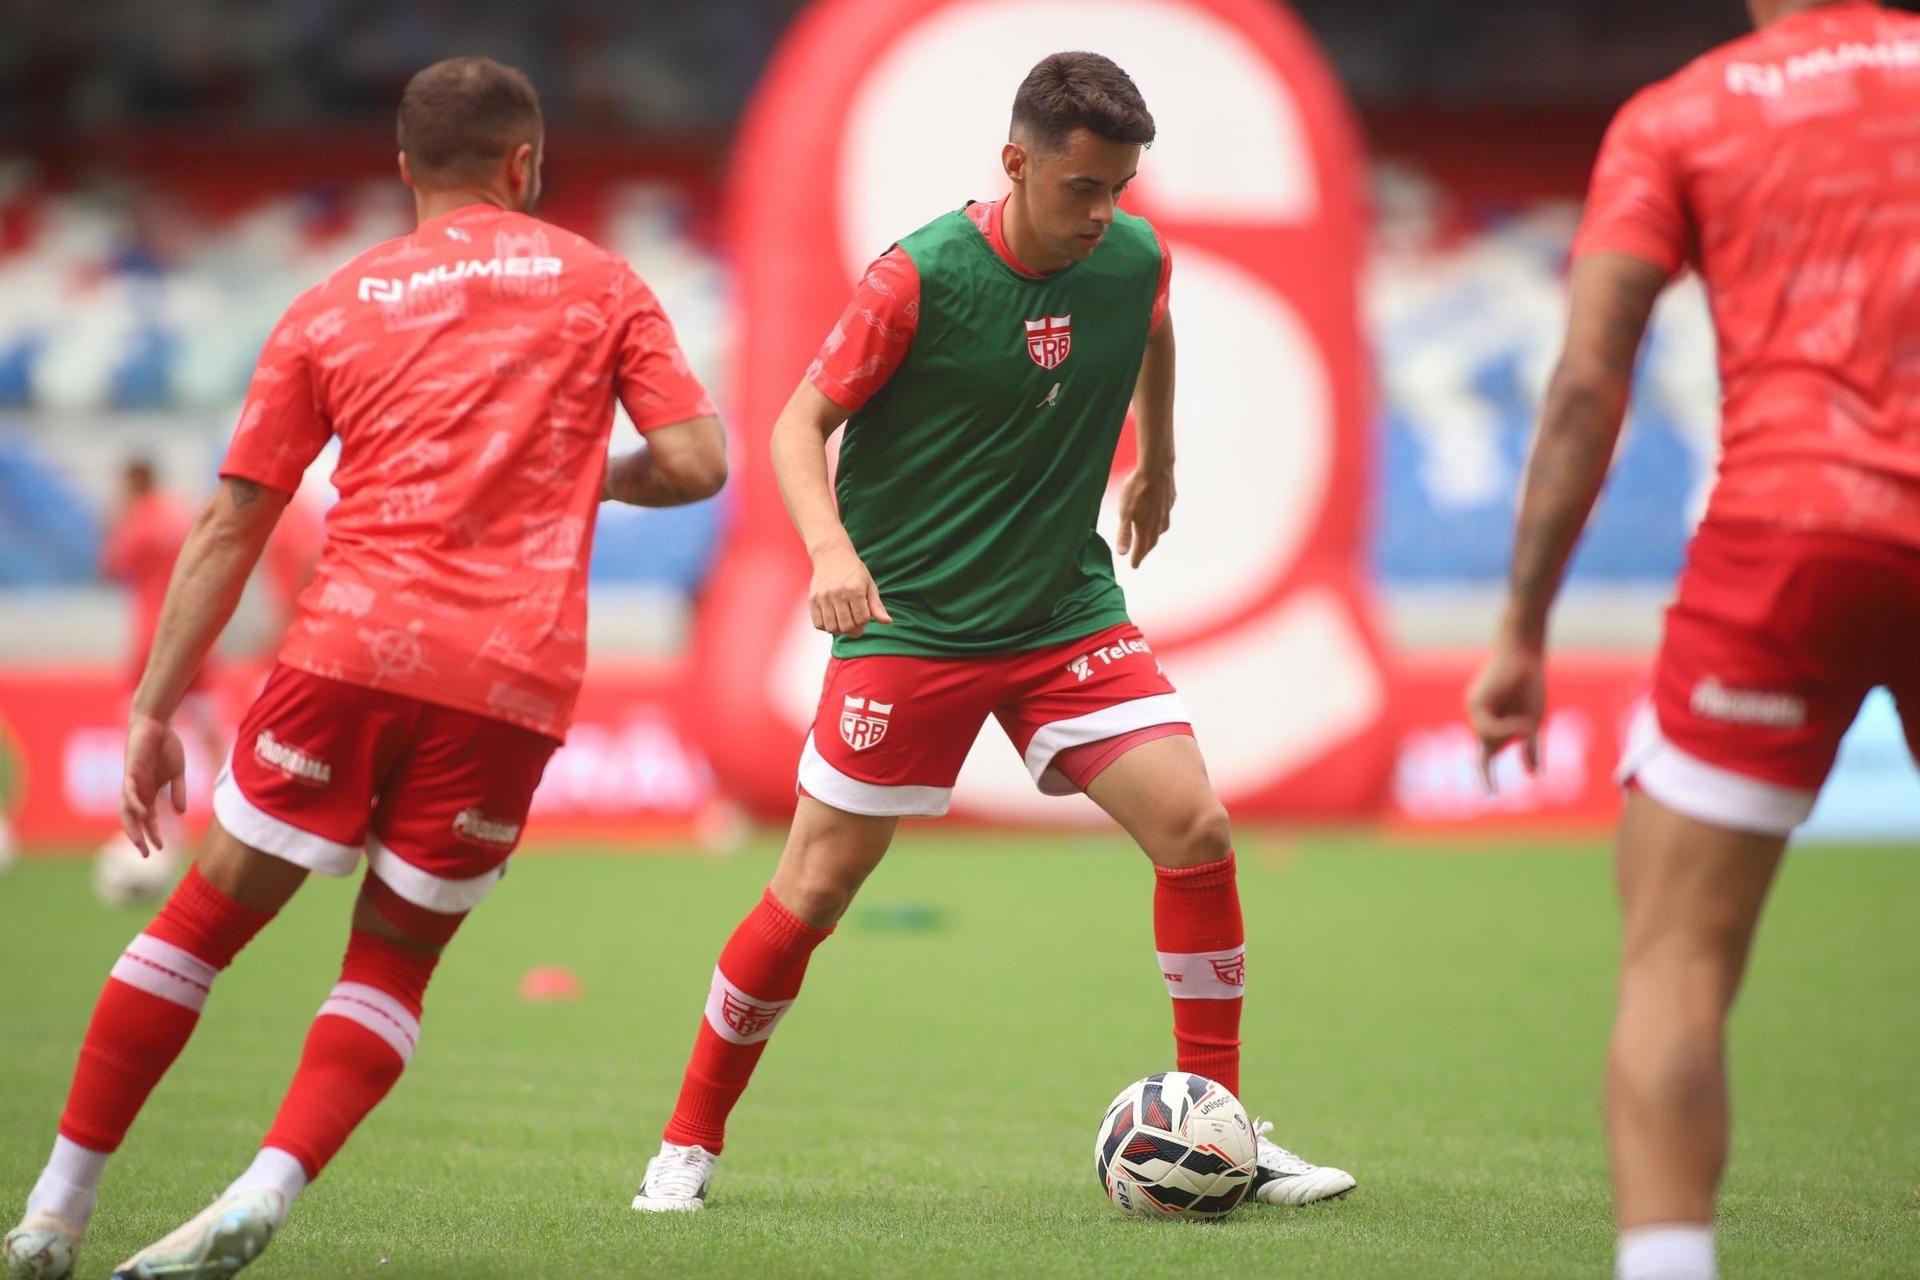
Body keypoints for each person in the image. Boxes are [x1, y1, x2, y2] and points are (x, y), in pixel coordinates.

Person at [4, 56, 726, 1280]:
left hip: (349, 645)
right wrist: (582, 475)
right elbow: (698, 460)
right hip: (514, 677)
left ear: (404, 170)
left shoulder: (331, 304)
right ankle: (264, 1187)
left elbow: (233, 518)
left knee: (200, 921)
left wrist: (151, 706)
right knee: (393, 958)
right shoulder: (606, 284)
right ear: (524, 165)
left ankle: (53, 1214)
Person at [631, 51, 1353, 1214]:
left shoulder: (1129, 253)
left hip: (1062, 611)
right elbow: (794, 425)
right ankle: (686, 1140)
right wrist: (830, 552)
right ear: (1015, 163)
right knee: (812, 889)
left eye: (1121, 187)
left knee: (1196, 824)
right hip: (909, 623)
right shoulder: (915, 279)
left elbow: (1155, 328)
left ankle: (1222, 1129)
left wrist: (1156, 463)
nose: (1103, 212)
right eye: (1082, 188)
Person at [1466, 4, 1920, 1278]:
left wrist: (1520, 627)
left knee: (1677, 959)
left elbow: (1588, 381)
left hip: (1786, 537)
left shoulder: (1684, 113)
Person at [98, 460, 223, 878]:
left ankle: (160, 824)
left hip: (152, 639)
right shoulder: (184, 511)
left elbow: (111, 568)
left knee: (143, 728)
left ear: (134, 480)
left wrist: (113, 523)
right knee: (208, 726)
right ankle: (235, 817)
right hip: (195, 634)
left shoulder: (135, 520)